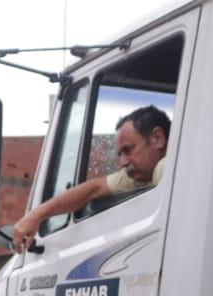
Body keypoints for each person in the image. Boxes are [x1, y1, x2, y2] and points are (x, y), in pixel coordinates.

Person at [11, 105, 170, 253]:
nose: (123, 162)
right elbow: (94, 189)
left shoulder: (166, 167)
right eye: (120, 154)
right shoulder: (142, 173)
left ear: (158, 138)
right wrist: (36, 215)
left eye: (128, 150)